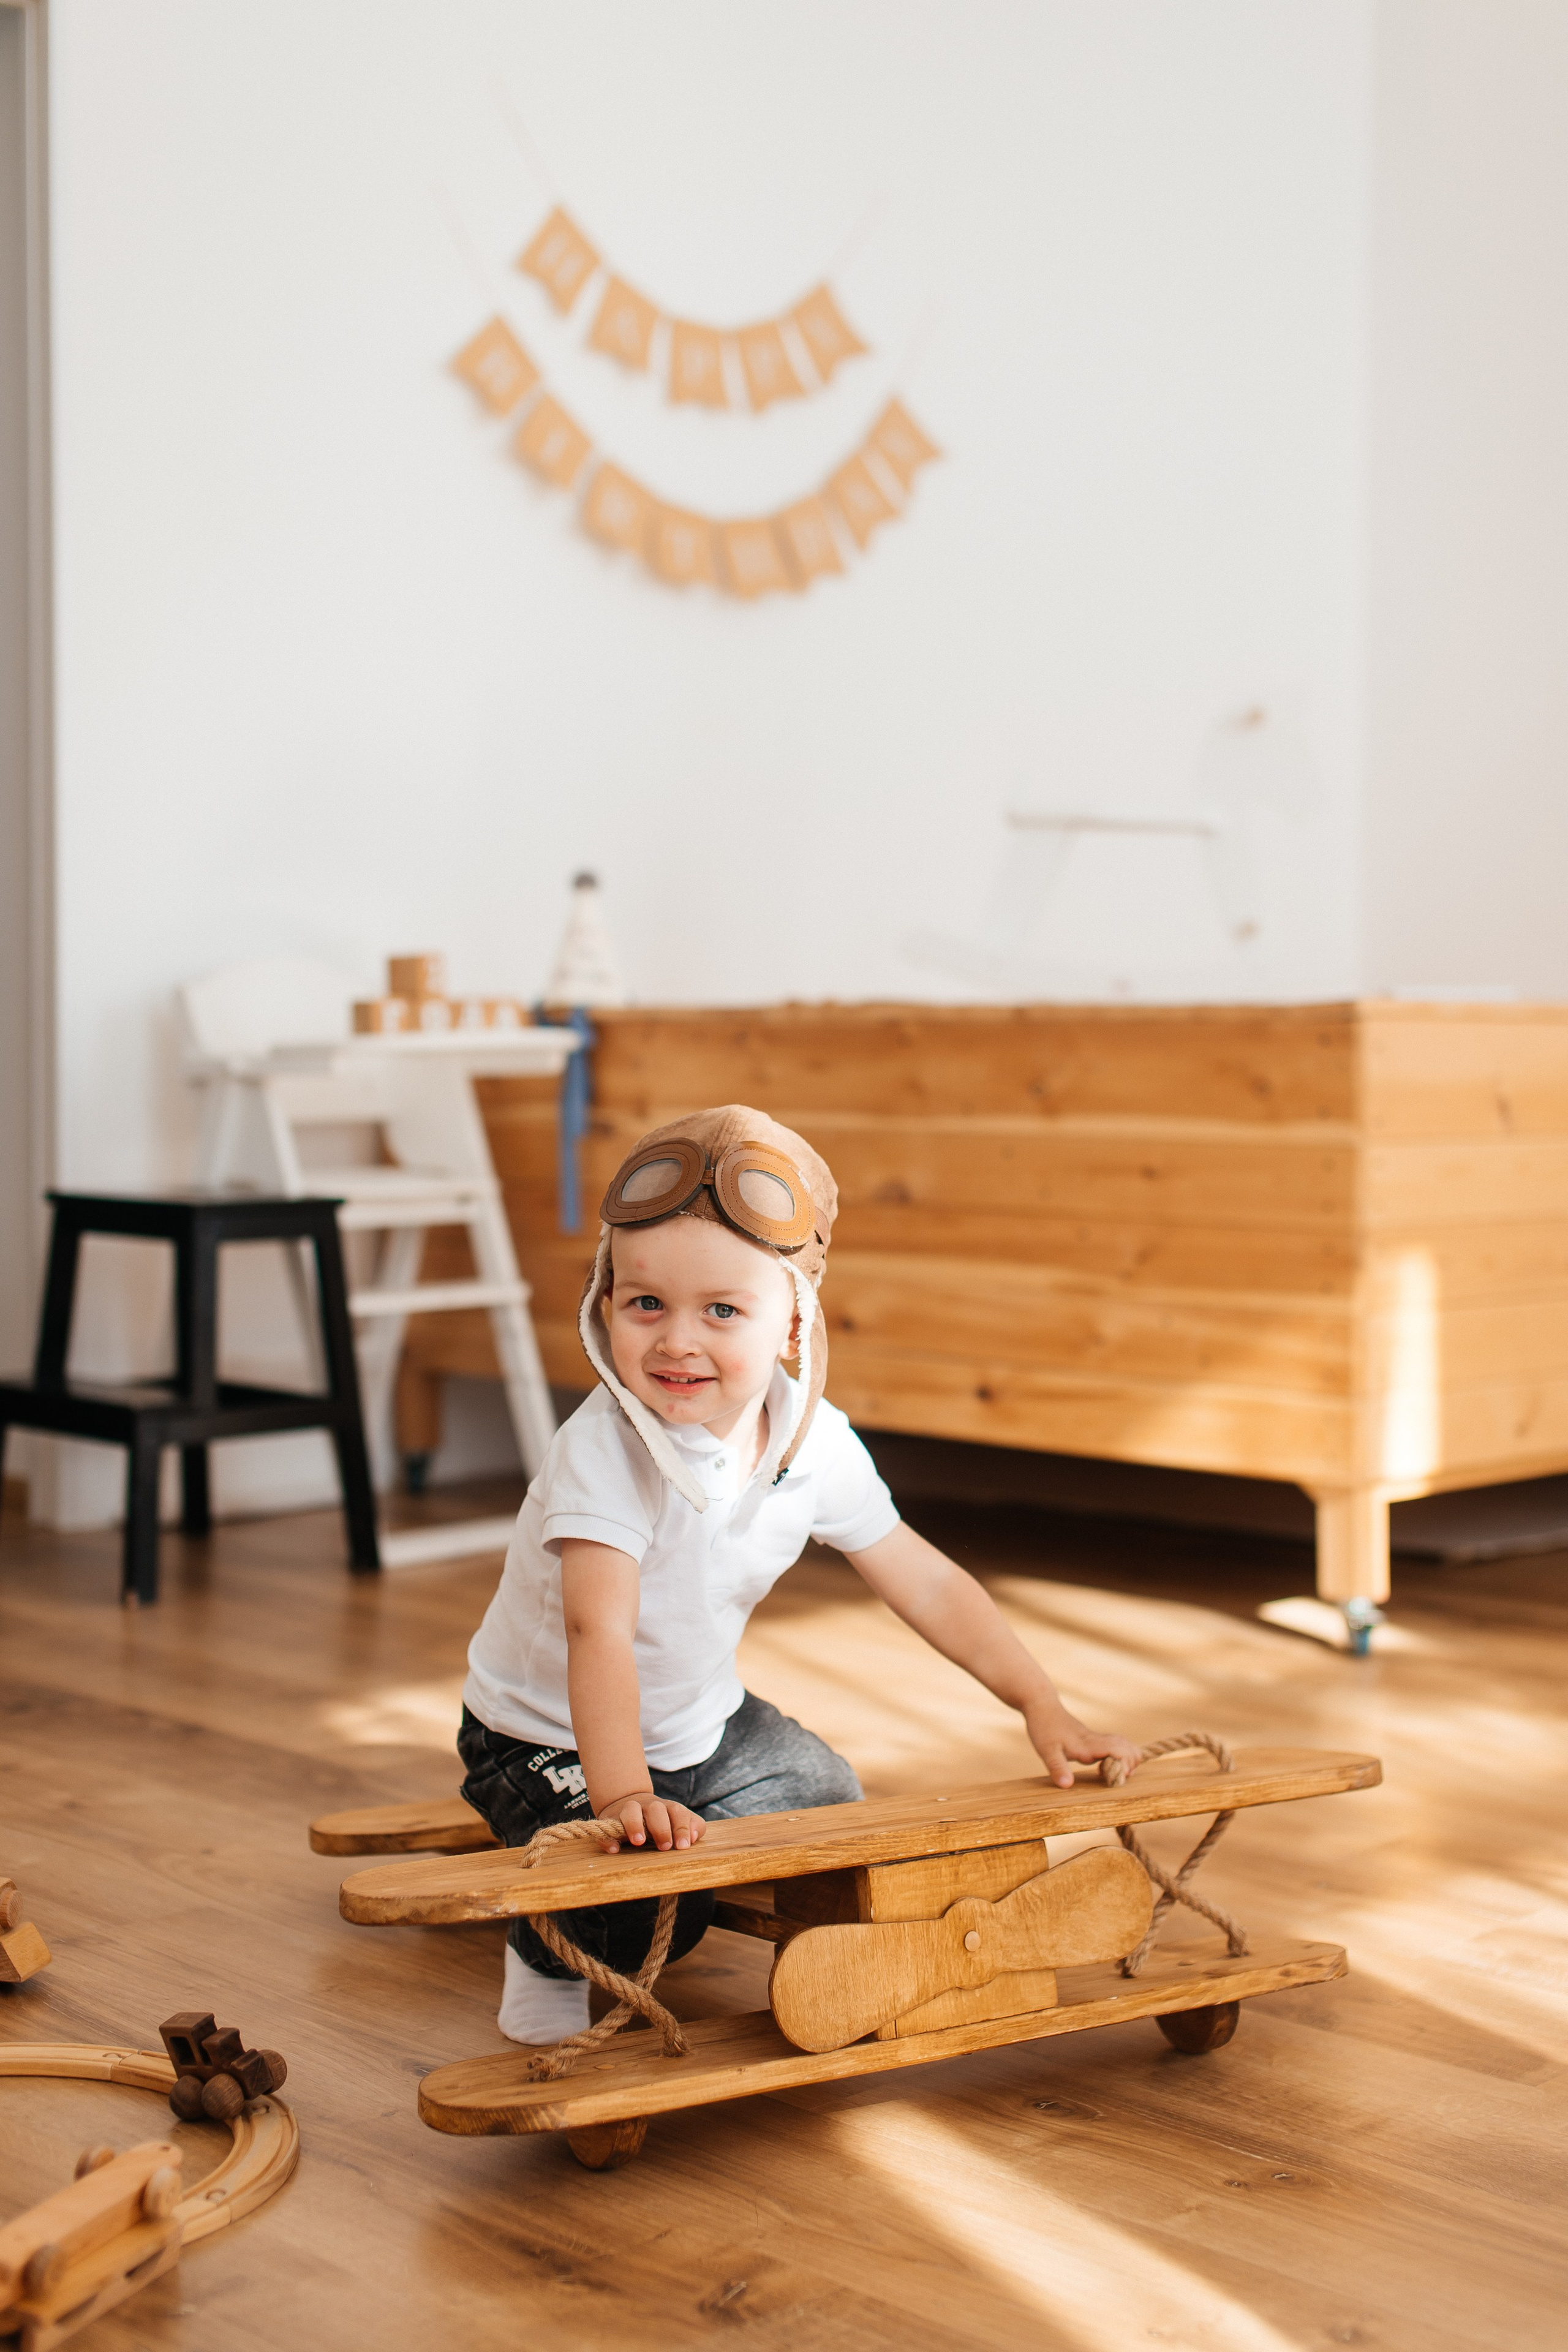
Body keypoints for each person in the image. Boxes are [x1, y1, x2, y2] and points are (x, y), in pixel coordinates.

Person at [458, 1104, 1140, 2047]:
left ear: (793, 1327)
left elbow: (927, 1581)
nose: (675, 1342)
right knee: (643, 1901)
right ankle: (542, 1952)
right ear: (604, 1302)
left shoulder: (813, 1442)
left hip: (699, 1722)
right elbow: (596, 1634)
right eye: (644, 1303)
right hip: (543, 1734)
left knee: (826, 1801)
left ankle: (676, 1841)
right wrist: (619, 1802)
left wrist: (1041, 1704)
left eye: (722, 1311)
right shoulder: (606, 1454)